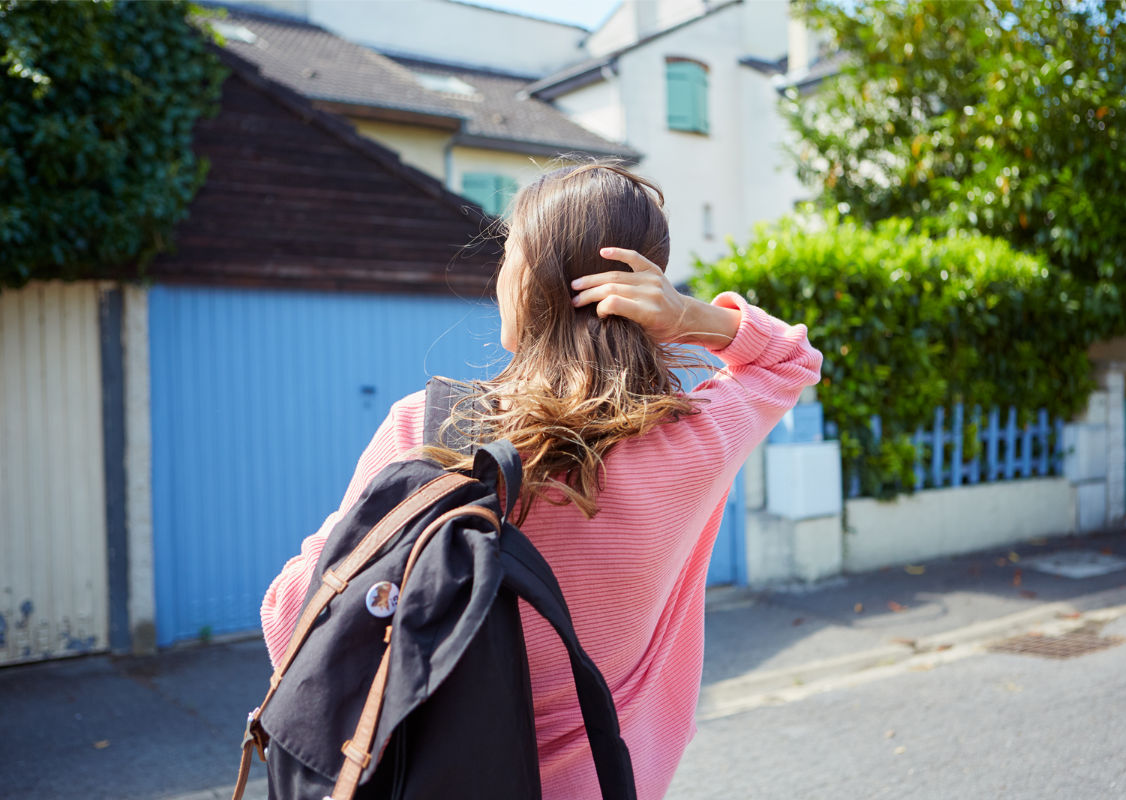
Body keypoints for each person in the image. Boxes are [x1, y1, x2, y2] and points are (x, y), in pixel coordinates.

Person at [261, 163, 823, 799]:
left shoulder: (427, 431)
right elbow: (790, 360)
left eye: (508, 254)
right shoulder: (692, 443)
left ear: (530, 279)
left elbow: (293, 620)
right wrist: (687, 314)